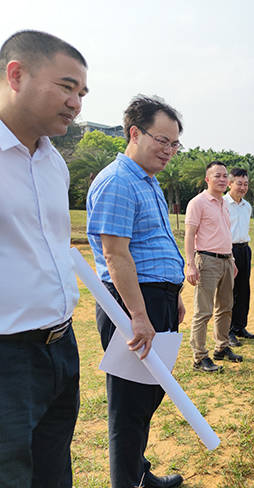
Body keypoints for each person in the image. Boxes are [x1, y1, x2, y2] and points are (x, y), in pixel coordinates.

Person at [0, 30, 87, 488]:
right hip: (7, 355)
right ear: (16, 74)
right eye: (66, 86)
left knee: (53, 469)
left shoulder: (54, 164)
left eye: (82, 93)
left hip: (60, 346)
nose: (76, 103)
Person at [86, 95, 185, 488]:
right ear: (134, 133)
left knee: (147, 398)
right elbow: (116, 255)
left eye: (175, 144)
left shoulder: (148, 181)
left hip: (155, 299)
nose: (169, 151)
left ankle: (139, 474)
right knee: (128, 408)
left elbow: (154, 244)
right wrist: (139, 317)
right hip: (131, 305)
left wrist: (172, 294)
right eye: (162, 141)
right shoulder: (118, 181)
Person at [185, 161, 243, 371]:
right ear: (207, 179)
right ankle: (199, 357)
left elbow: (226, 234)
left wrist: (232, 261)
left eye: (224, 176)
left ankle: (222, 347)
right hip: (207, 261)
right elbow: (190, 235)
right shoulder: (198, 203)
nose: (221, 179)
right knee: (203, 311)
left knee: (225, 308)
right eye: (217, 175)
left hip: (227, 260)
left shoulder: (223, 204)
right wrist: (190, 264)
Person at [224, 167, 254, 347]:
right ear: (230, 184)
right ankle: (227, 330)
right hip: (228, 250)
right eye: (239, 183)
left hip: (245, 250)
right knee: (229, 292)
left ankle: (240, 326)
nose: (243, 187)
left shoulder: (247, 206)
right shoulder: (222, 204)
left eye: (245, 184)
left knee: (244, 290)